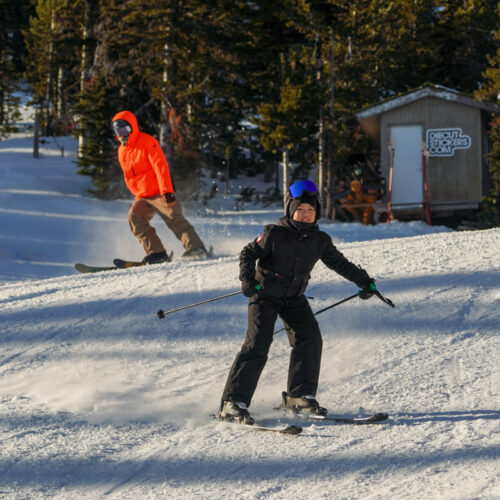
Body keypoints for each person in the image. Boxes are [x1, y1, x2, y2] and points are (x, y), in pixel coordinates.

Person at [218, 179, 377, 424]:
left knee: (310, 337)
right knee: (258, 343)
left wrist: (364, 281)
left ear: (317, 213)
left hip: (294, 298)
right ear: (290, 210)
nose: (305, 215)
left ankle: (299, 395)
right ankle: (233, 402)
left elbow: (340, 263)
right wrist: (247, 280)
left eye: (310, 211)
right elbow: (248, 253)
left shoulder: (320, 240)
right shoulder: (274, 234)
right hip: (265, 297)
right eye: (300, 210)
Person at [111, 110, 208, 263]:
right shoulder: (122, 150)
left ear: (133, 127)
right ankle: (157, 253)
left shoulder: (147, 142)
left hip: (160, 191)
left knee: (174, 219)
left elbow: (160, 166)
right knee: (134, 218)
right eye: (119, 131)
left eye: (125, 129)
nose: (123, 134)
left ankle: (196, 248)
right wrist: (137, 194)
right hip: (143, 196)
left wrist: (167, 191)